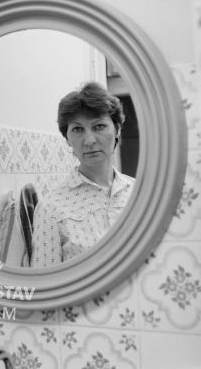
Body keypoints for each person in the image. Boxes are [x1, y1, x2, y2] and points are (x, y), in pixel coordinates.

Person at [31, 81, 135, 268]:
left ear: (117, 130)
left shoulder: (140, 193)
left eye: (99, 126)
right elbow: (44, 281)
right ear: (67, 139)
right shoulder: (50, 208)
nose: (89, 141)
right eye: (78, 129)